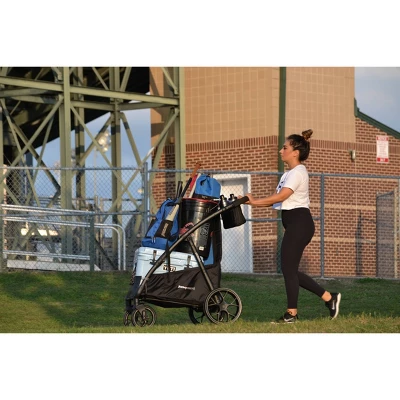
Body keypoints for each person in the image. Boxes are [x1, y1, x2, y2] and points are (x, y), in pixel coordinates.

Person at [242, 129, 341, 323]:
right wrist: (251, 201)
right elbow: (277, 200)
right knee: (290, 270)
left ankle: (292, 314)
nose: (281, 151)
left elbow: (281, 196)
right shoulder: (289, 174)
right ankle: (329, 298)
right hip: (296, 224)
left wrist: (254, 201)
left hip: (299, 223)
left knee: (288, 270)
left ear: (295, 152)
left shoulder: (298, 172)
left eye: (285, 147)